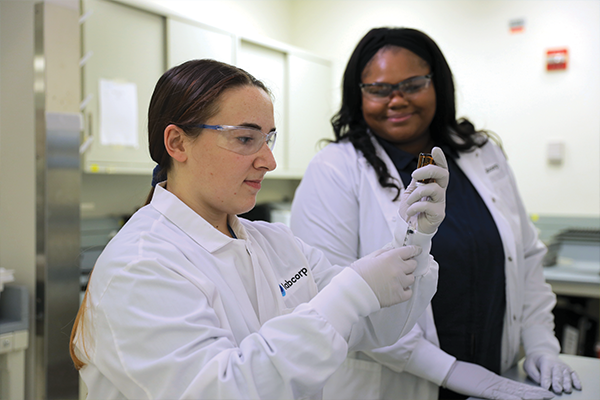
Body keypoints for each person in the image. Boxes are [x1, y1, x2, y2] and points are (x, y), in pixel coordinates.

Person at [69, 59, 448, 400]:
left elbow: (376, 328)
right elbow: (222, 391)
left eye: (267, 138)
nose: (268, 160)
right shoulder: (140, 266)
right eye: (245, 138)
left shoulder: (275, 244)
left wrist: (414, 237)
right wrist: (349, 293)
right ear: (177, 142)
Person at [290, 27, 580, 400]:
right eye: (378, 89)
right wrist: (452, 371)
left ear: (437, 84)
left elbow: (524, 256)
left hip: (498, 375)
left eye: (412, 84)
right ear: (357, 95)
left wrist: (541, 344)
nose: (396, 100)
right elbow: (334, 300)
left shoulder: (481, 154)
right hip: (396, 386)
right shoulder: (334, 169)